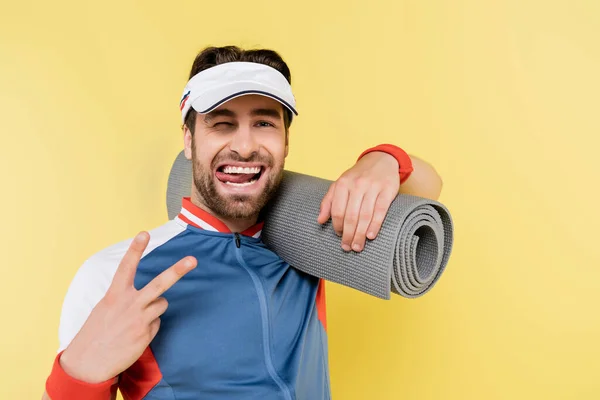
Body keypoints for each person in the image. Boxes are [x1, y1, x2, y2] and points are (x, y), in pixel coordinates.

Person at [42, 46, 443, 400]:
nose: (246, 146)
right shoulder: (114, 277)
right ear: (188, 139)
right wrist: (80, 372)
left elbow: (428, 190)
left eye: (265, 123)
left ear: (287, 142)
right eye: (222, 123)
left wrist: (384, 159)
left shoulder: (308, 236)